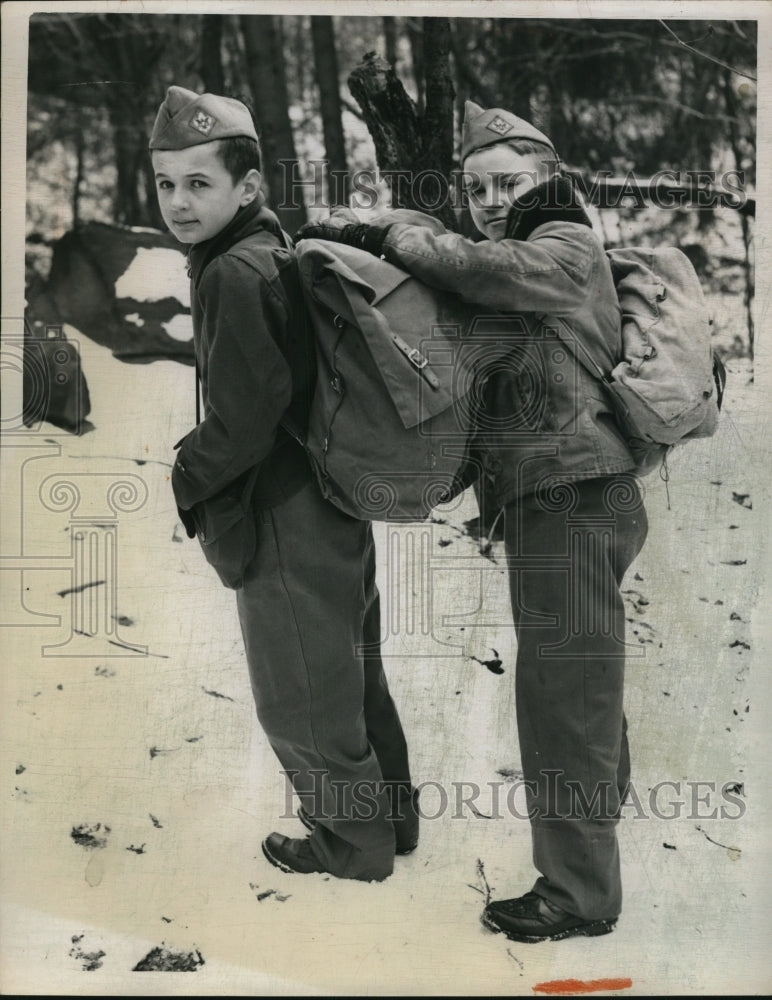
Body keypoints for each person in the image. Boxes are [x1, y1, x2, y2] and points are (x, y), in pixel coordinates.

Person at [297, 100, 648, 939]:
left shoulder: (565, 242)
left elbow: (483, 267)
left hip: (574, 493)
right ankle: (596, 818)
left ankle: (579, 894)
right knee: (580, 680)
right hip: (564, 492)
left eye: (508, 183)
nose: (491, 201)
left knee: (564, 693)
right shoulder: (518, 249)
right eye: (478, 188)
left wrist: (393, 236)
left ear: (549, 179)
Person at [149, 86, 417, 882]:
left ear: (248, 186)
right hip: (329, 496)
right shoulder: (269, 247)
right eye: (165, 183)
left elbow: (245, 418)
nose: (178, 202)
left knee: (299, 691)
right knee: (349, 670)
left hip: (282, 508)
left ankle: (352, 843)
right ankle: (391, 820)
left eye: (199, 183)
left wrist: (186, 472)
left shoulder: (233, 271)